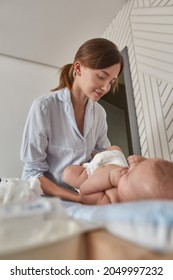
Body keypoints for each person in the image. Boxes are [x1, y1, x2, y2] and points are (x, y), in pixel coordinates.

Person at [20, 38, 124, 202]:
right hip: (46, 198)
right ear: (78, 68)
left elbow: (103, 158)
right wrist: (78, 198)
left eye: (111, 81)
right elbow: (32, 173)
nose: (106, 88)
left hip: (84, 195)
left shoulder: (99, 113)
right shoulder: (44, 108)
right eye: (101, 77)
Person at [63, 146, 173, 205]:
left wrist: (110, 179)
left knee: (68, 174)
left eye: (129, 175)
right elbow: (145, 174)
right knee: (115, 148)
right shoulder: (133, 181)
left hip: (89, 174)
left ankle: (91, 160)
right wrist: (141, 163)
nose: (129, 171)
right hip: (117, 163)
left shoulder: (112, 201)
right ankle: (96, 155)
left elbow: (85, 190)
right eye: (133, 170)